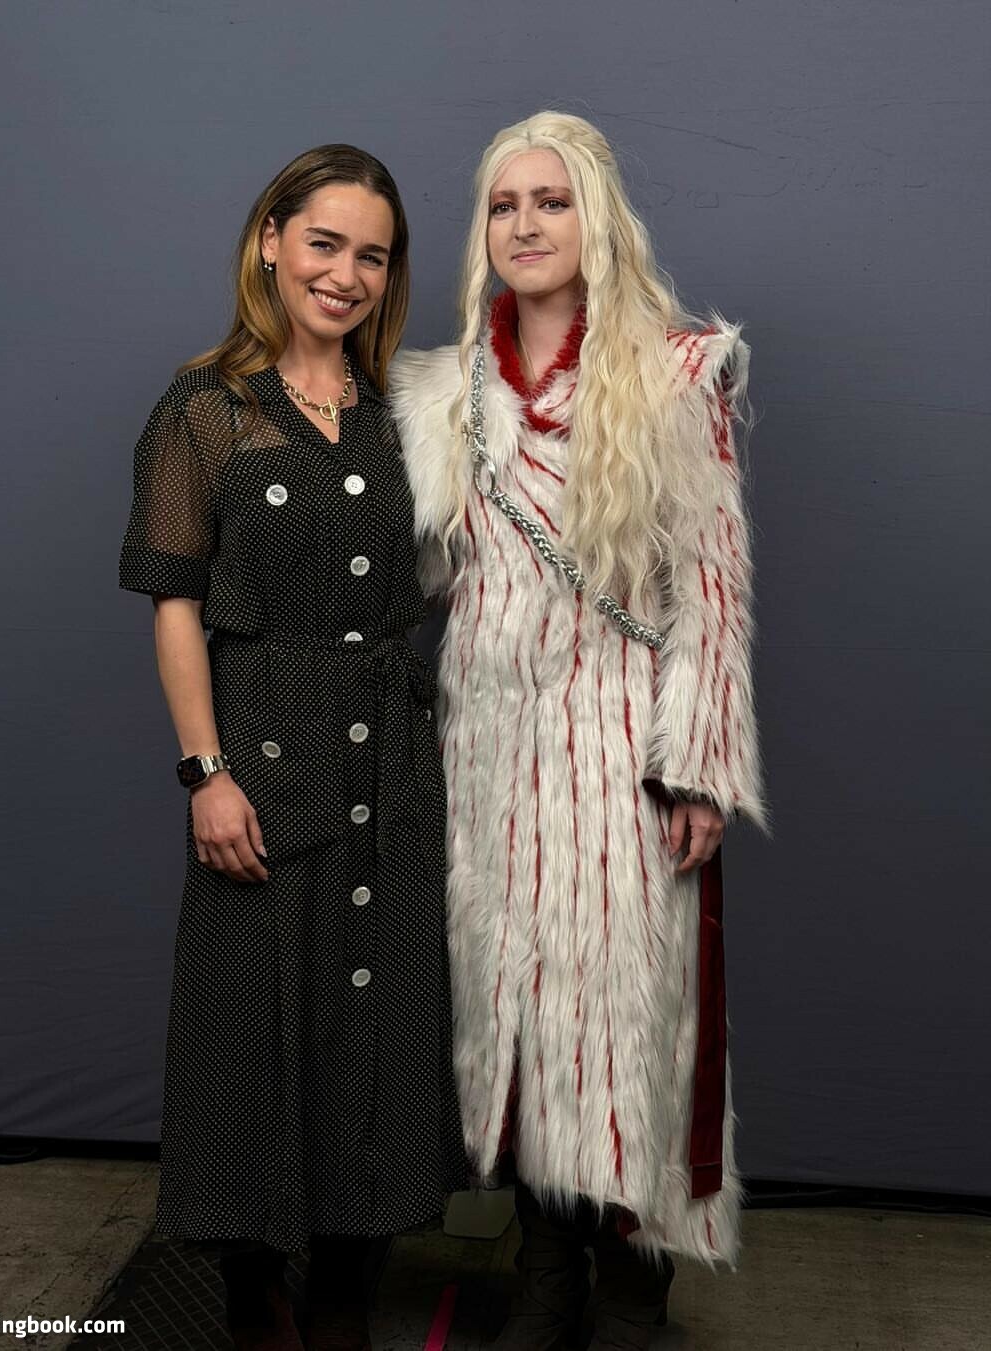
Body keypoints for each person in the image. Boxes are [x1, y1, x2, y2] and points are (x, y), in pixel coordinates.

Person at [389, 112, 768, 1349]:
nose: (526, 225)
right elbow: (421, 581)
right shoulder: (444, 394)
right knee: (509, 1009)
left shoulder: (675, 373)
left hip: (622, 747)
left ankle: (631, 1289)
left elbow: (709, 588)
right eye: (505, 205)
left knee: (622, 1021)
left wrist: (697, 766)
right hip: (487, 753)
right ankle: (546, 1270)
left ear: (596, 216)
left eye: (550, 201)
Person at [118, 144, 468, 1351]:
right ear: (271, 240)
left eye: (373, 255)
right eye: (325, 243)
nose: (346, 274)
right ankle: (256, 1307)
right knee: (250, 1033)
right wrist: (205, 774)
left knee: (378, 1029)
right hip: (263, 763)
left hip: (394, 770)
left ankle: (347, 1308)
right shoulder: (205, 410)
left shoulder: (408, 414)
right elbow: (175, 605)